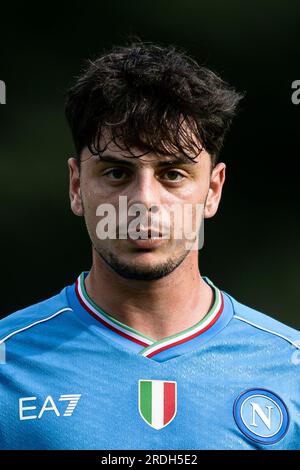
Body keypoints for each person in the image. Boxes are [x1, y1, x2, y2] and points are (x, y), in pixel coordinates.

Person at [0, 41, 299, 450]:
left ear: (213, 190)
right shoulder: (7, 363)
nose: (143, 202)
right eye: (117, 173)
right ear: (76, 186)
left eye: (173, 173)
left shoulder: (290, 368)